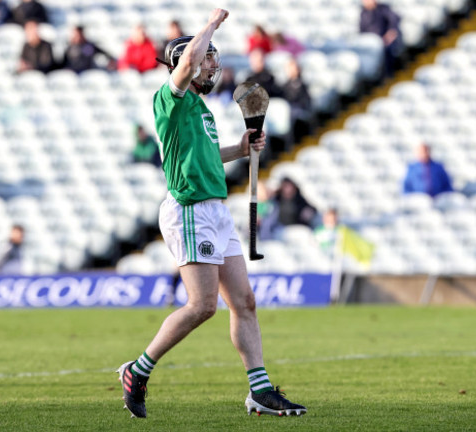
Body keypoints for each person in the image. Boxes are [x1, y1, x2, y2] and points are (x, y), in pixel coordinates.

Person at [117, 9, 306, 419]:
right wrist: (211, 25)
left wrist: (240, 150)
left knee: (245, 302)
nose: (210, 65)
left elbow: (204, 157)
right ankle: (138, 370)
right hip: (189, 210)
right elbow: (186, 61)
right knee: (203, 306)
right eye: (205, 59)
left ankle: (260, 390)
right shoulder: (170, 98)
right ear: (181, 64)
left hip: (215, 211)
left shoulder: (202, 111)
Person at [359, 0, 402, 77]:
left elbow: (393, 24)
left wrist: (388, 37)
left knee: (388, 51)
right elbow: (362, 31)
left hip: (384, 40)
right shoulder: (363, 13)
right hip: (370, 42)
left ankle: (388, 75)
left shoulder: (383, 9)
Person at [282, 57, 313, 143]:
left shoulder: (303, 85)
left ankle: (290, 141)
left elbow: (305, 101)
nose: (291, 71)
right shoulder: (284, 85)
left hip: (299, 110)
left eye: (293, 68)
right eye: (289, 69)